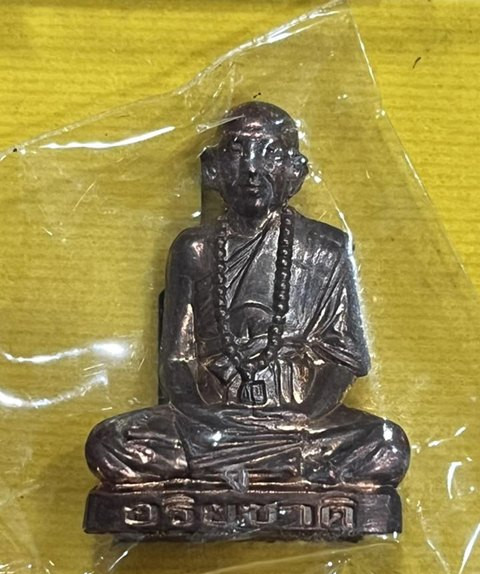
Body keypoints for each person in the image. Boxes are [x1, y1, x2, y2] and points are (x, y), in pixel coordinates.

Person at [85, 101, 409, 490]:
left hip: (298, 420)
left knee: (387, 445)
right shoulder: (194, 249)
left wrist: (300, 418)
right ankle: (276, 469)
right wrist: (207, 418)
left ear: (295, 170)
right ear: (214, 168)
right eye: (238, 152)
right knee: (110, 443)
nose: (252, 168)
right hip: (211, 420)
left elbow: (342, 360)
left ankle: (233, 468)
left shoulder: (327, 248)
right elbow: (176, 360)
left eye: (270, 153)